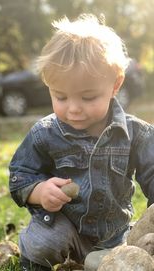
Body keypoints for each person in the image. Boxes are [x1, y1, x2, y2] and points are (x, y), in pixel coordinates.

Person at [9, 14, 154, 271]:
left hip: (114, 236)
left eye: (88, 97)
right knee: (41, 244)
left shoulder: (136, 134)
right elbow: (20, 174)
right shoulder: (45, 133)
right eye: (61, 96)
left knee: (136, 256)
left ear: (115, 85)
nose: (74, 108)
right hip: (64, 227)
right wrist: (39, 191)